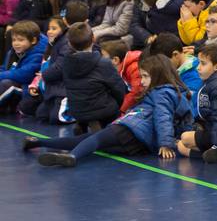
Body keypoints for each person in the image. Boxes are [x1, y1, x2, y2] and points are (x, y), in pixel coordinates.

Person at [26, 54, 192, 168]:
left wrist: (165, 143)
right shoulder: (177, 94)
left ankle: (72, 157)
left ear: (159, 75)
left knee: (95, 139)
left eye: (145, 77)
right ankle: (39, 142)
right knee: (87, 140)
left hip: (130, 130)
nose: (141, 82)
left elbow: (162, 117)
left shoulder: (161, 92)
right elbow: (182, 121)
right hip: (138, 142)